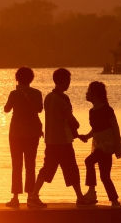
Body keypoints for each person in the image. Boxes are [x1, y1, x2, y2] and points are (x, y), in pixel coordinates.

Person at [31, 68, 83, 208]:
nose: (69, 84)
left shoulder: (48, 97)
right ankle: (80, 197)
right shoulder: (62, 99)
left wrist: (76, 134)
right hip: (63, 141)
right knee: (71, 168)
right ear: (63, 81)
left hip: (51, 140)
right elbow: (69, 118)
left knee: (47, 168)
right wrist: (77, 127)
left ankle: (34, 195)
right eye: (68, 81)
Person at [77, 81, 121, 207]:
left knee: (89, 161)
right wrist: (86, 136)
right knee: (105, 176)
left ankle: (92, 192)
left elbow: (115, 128)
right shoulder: (92, 111)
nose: (87, 93)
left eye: (89, 91)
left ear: (96, 94)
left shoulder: (107, 109)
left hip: (107, 145)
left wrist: (118, 147)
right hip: (99, 144)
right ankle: (114, 201)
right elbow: (96, 129)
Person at [3, 67, 43, 208]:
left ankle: (15, 198)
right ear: (31, 79)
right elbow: (39, 109)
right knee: (30, 164)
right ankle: (31, 196)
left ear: (17, 79)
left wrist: (17, 94)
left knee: (17, 165)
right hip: (32, 133)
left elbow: (6, 109)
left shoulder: (14, 93)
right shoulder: (37, 93)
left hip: (16, 133)